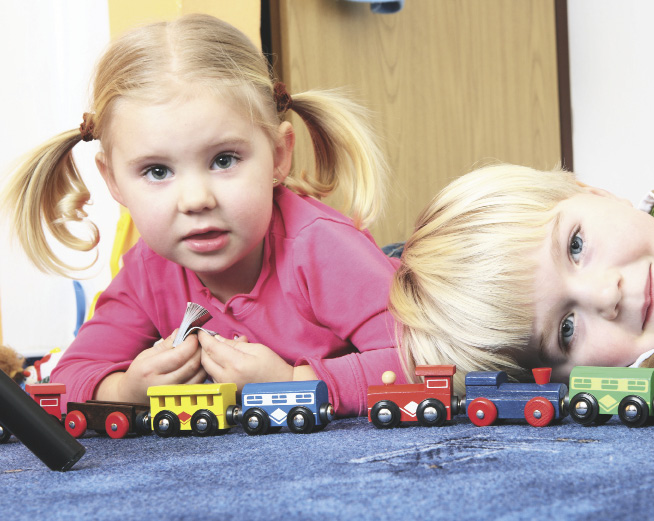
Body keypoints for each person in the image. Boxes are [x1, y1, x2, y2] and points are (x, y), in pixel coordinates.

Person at [2, 14, 402, 417]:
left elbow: (420, 359)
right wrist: (127, 389)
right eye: (157, 171)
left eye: (224, 160)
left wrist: (293, 382)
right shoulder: (149, 270)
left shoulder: (324, 248)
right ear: (114, 182)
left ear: (279, 156)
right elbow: (66, 379)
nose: (195, 200)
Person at [390, 162, 654, 416]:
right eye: (566, 329)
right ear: (566, 383)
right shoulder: (638, 388)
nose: (606, 295)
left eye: (575, 246)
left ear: (595, 193)